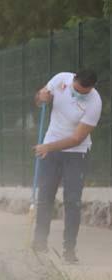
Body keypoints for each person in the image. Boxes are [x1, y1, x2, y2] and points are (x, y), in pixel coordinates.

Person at [31, 69, 102, 264]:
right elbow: (39, 99)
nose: (78, 93)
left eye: (83, 92)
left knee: (72, 202)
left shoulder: (95, 103)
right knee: (45, 197)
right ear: (73, 80)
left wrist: (48, 146)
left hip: (76, 154)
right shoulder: (61, 79)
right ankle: (39, 243)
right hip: (50, 147)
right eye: (76, 89)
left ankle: (69, 251)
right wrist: (41, 97)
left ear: (91, 88)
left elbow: (76, 138)